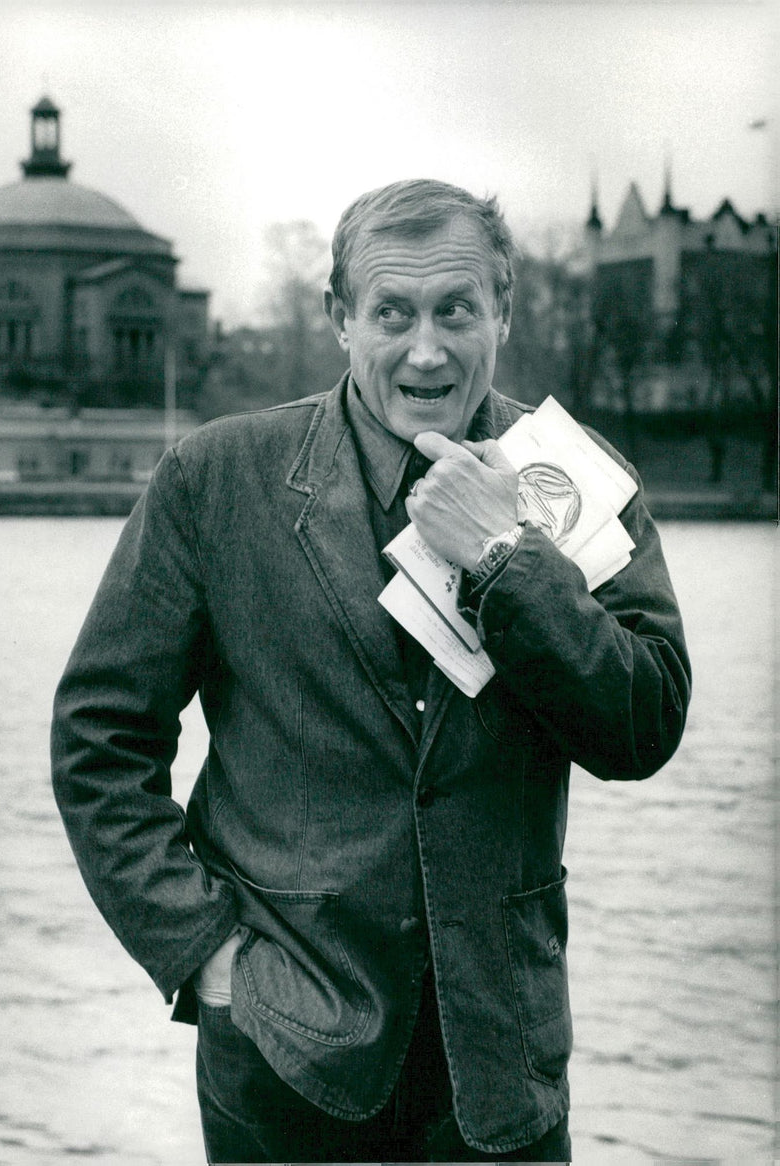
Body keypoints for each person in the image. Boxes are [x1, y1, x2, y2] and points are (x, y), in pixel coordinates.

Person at [51, 178, 691, 1164]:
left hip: (500, 1062)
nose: (424, 348)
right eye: (390, 312)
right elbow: (100, 737)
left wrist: (501, 563)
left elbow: (640, 727)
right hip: (281, 1051)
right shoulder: (215, 477)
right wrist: (205, 954)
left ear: (502, 312)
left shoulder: (578, 480)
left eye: (455, 309)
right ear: (339, 319)